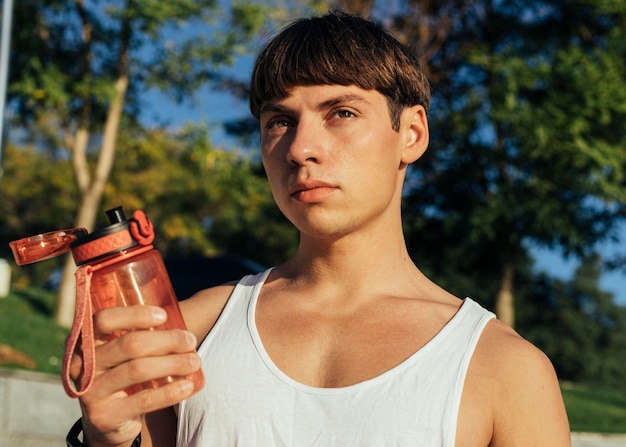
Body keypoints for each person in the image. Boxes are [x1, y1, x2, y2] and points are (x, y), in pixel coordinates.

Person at [67, 10, 571, 447]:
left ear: (412, 133)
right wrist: (104, 439)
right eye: (279, 121)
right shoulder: (190, 335)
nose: (300, 148)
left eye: (342, 113)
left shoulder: (504, 369)